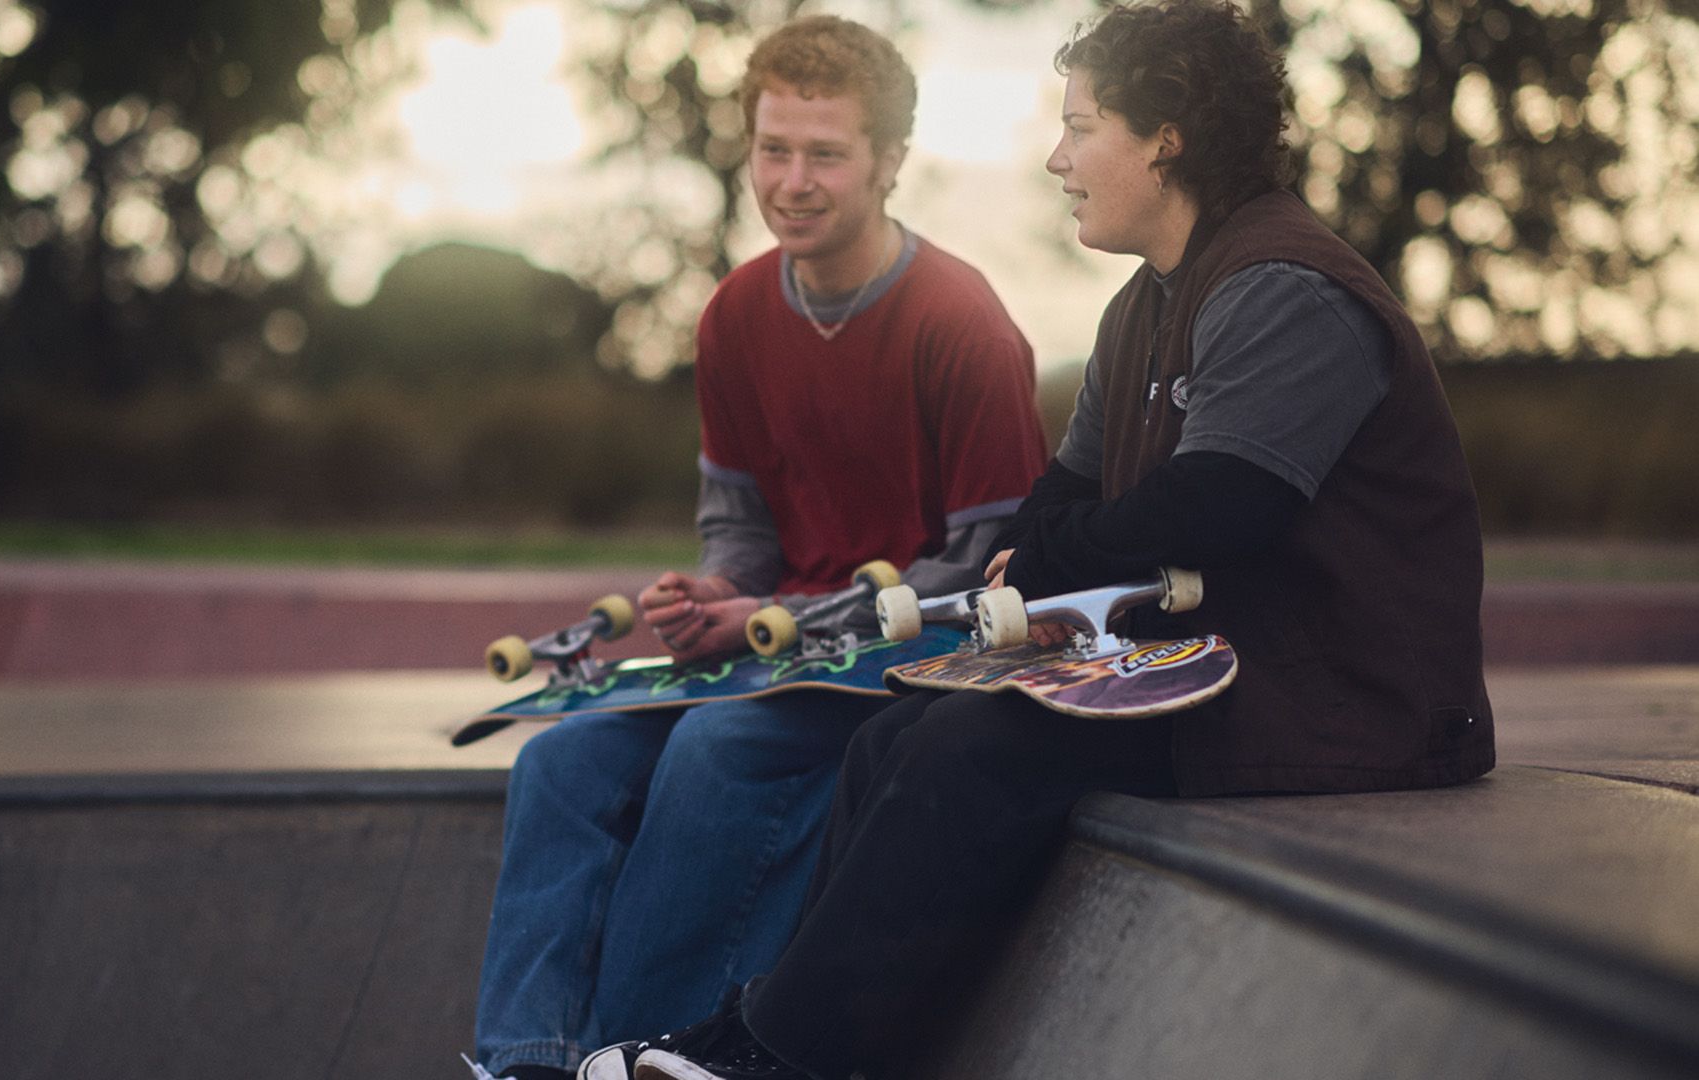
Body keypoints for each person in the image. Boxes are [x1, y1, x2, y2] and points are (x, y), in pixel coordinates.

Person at [583, 1, 1496, 1077]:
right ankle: (765, 1027)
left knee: (980, 753)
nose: (1056, 159)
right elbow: (1052, 497)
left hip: (1343, 699)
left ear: (1164, 137)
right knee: (900, 731)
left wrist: (1059, 551)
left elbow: (1220, 505)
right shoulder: (1140, 307)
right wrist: (1052, 544)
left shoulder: (1283, 286)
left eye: (1081, 126)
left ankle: (779, 1057)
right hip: (1212, 669)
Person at [467, 16, 1049, 1080]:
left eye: (824, 153)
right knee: (561, 760)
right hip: (771, 649)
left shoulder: (960, 321)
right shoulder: (734, 315)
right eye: (772, 149)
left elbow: (984, 570)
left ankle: (641, 1056)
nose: (792, 180)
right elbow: (739, 527)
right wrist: (714, 593)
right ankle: (527, 1062)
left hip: (908, 663)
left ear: (887, 165)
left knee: (715, 753)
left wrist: (781, 618)